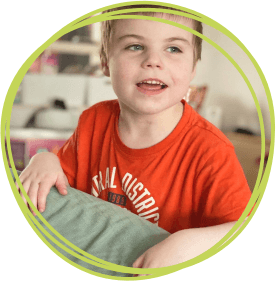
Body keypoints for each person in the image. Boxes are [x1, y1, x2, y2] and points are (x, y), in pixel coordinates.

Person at [17, 4, 252, 272]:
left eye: (173, 48)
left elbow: (245, 231)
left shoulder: (211, 149)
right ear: (106, 61)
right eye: (135, 46)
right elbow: (61, 188)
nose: (153, 61)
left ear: (193, 68)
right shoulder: (93, 121)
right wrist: (44, 159)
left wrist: (189, 242)